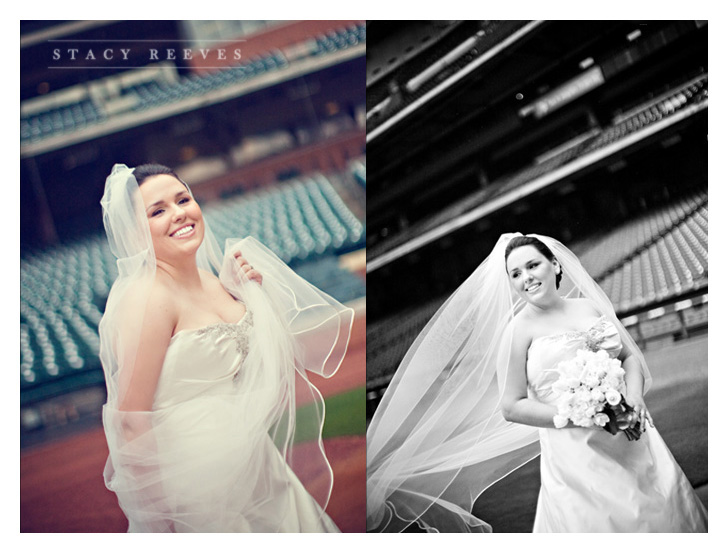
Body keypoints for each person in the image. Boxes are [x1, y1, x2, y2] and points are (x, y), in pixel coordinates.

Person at [366, 233, 707, 532]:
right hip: (578, 451)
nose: (526, 277)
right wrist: (583, 415)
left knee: (664, 508)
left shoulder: (588, 306)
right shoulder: (516, 332)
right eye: (515, 273)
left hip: (634, 433)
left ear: (555, 265)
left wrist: (634, 398)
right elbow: (511, 405)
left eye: (533, 265)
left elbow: (629, 358)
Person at [99, 163, 354, 532]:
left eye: (182, 199)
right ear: (136, 233)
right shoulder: (147, 299)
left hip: (255, 464)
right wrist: (162, 518)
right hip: (195, 488)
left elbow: (252, 378)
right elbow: (129, 418)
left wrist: (244, 297)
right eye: (158, 211)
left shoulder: (213, 282)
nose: (179, 213)